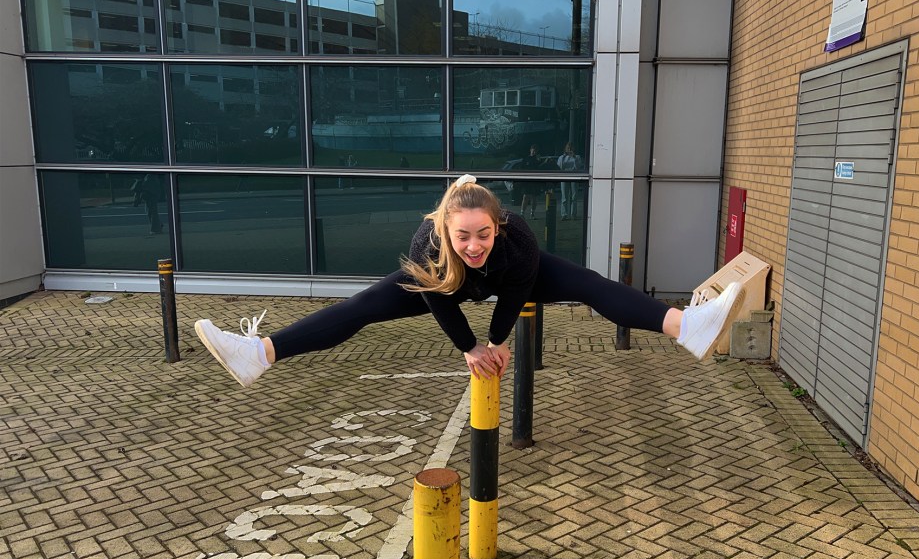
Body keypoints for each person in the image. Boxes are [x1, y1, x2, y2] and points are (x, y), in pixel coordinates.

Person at [193, 174, 746, 388]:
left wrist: (498, 344)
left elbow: (515, 294)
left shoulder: (519, 241)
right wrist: (469, 349)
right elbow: (444, 306)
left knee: (588, 281)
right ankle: (260, 353)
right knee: (363, 306)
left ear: (497, 225)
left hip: (511, 282)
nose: (474, 245)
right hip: (446, 290)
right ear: (445, 230)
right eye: (465, 236)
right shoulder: (428, 246)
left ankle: (685, 326)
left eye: (483, 234)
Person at [556, 142, 581, 220]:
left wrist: (573, 157)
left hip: (574, 177)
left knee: (574, 197)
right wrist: (563, 157)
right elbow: (560, 167)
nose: (569, 149)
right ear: (565, 149)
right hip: (564, 177)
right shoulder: (561, 157)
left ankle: (573, 214)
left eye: (571, 148)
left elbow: (577, 167)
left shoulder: (577, 157)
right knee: (564, 197)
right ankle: (564, 214)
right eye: (568, 148)